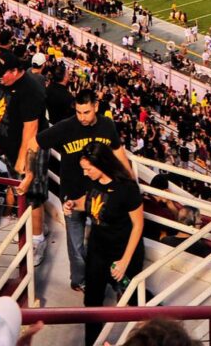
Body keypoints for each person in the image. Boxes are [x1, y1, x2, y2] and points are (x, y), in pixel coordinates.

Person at [36, 86, 134, 290]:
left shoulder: (107, 125)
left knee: (107, 240)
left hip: (100, 196)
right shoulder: (65, 127)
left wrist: (130, 183)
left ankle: (110, 277)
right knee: (76, 245)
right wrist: (29, 171)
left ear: (96, 106)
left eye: (86, 112)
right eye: (79, 112)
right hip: (72, 196)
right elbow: (35, 142)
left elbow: (119, 153)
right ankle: (80, 280)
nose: (82, 117)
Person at [64, 142, 144, 346]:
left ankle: (153, 321)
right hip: (98, 250)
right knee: (91, 300)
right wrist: (73, 204)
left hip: (123, 252)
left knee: (131, 296)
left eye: (88, 169)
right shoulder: (93, 182)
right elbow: (90, 202)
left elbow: (137, 226)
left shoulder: (127, 189)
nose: (85, 173)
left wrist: (124, 261)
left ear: (102, 164)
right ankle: (94, 343)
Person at [0, 53, 49, 263]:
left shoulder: (31, 91)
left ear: (15, 72)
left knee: (33, 194)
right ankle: (34, 225)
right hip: (9, 147)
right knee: (18, 189)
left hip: (30, 149)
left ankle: (38, 240)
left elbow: (31, 129)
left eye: (3, 75)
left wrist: (22, 159)